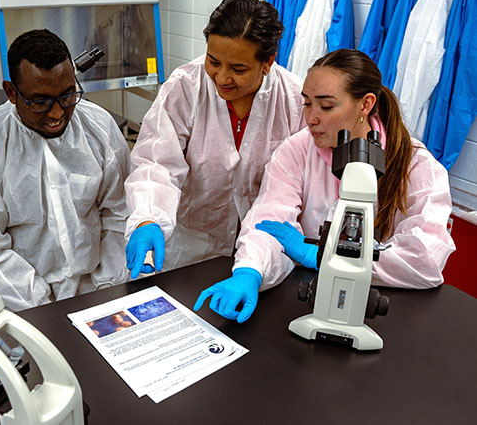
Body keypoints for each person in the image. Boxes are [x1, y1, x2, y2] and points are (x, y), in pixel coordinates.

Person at [194, 49, 456, 322]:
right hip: (310, 299)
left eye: (326, 106)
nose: (311, 119)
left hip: (387, 308)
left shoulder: (416, 164)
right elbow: (270, 219)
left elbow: (424, 257)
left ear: (365, 105)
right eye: (307, 104)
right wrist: (249, 270)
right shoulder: (296, 150)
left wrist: (324, 256)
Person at [125, 0, 305, 279]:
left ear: (268, 61)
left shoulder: (294, 99)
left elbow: (299, 183)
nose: (222, 78)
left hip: (266, 249)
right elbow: (156, 162)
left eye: (238, 69)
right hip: (193, 245)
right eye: (214, 61)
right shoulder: (186, 87)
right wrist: (148, 217)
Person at [0, 29, 130, 311]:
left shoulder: (99, 127)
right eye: (40, 101)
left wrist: (106, 288)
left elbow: (118, 214)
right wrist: (41, 307)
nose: (57, 113)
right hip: (24, 302)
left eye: (67, 95)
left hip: (100, 289)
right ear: (11, 92)